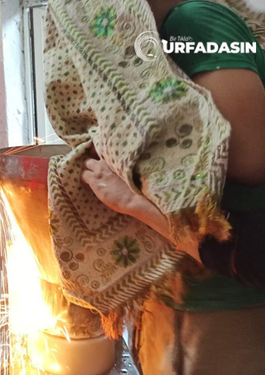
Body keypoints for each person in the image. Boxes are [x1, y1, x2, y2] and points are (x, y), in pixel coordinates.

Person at [82, 1, 265, 374]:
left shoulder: (191, 23)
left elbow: (250, 161)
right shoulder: (157, 35)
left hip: (220, 307)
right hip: (179, 296)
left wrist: (133, 201)